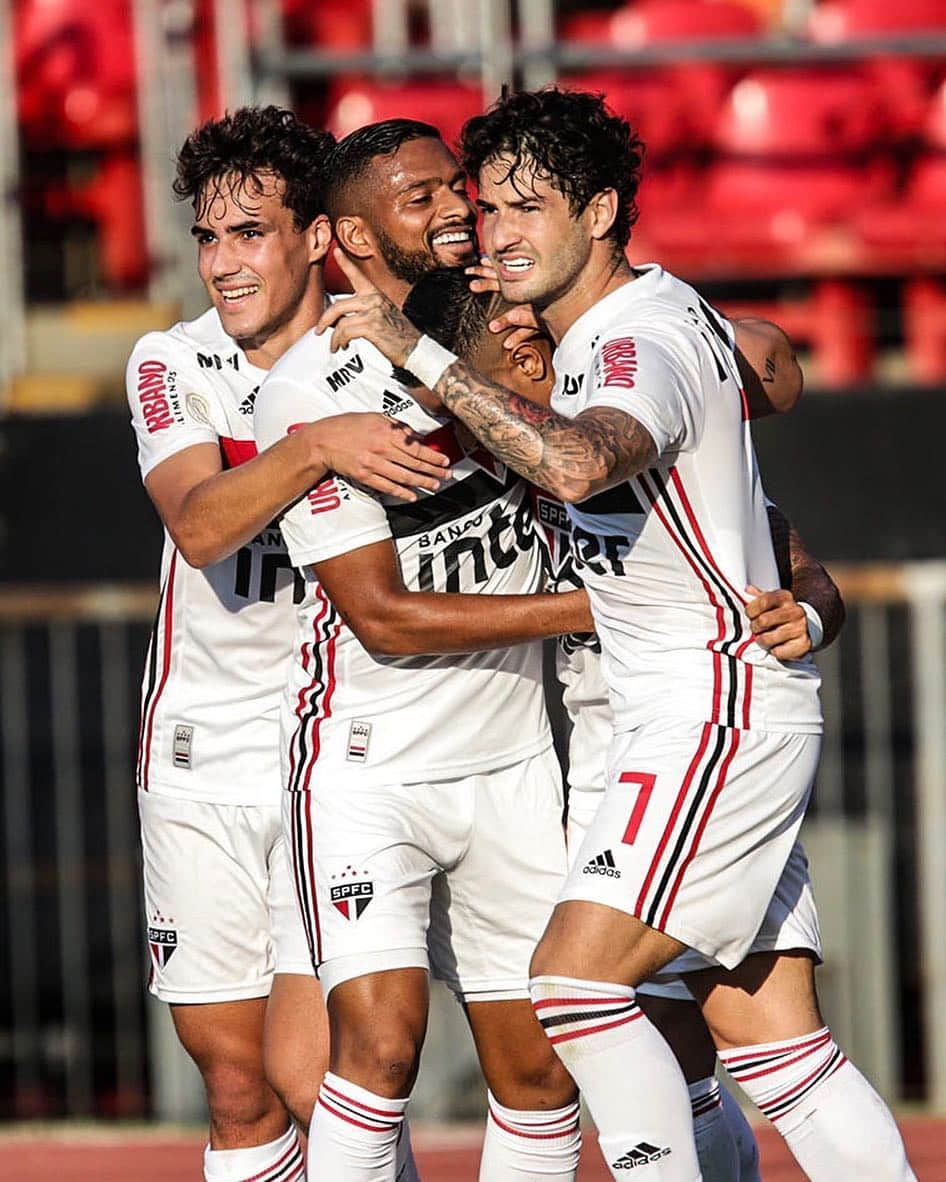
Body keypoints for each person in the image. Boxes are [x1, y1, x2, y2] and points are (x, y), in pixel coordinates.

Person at [318, 88, 916, 1182]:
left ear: (598, 213)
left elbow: (586, 458)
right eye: (488, 206)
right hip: (675, 714)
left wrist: (420, 355)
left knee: (576, 985)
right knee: (775, 1043)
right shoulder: (604, 326)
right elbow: (733, 482)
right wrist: (814, 592)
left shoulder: (635, 339)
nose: (499, 231)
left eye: (527, 207)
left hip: (706, 710)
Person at [402, 266, 847, 1182]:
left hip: (696, 732)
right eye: (507, 337)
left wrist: (813, 606)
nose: (528, 343)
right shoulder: (434, 432)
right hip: (619, 742)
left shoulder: (617, 372)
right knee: (759, 1045)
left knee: (581, 988)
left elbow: (775, 373)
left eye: (532, 326)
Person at [253, 117, 608, 1182]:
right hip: (372, 769)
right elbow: (387, 617)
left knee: (543, 1075)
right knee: (380, 1047)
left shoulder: (509, 333)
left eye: (455, 188)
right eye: (419, 199)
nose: (455, 209)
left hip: (511, 764)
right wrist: (583, 612)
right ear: (348, 239)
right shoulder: (310, 394)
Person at [127, 106, 447, 1182]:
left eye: (250, 233)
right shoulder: (169, 360)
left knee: (324, 1079)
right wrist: (315, 446)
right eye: (208, 238)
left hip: (331, 759)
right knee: (233, 1084)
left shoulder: (392, 346)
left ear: (316, 237)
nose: (223, 263)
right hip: (196, 754)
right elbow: (200, 521)